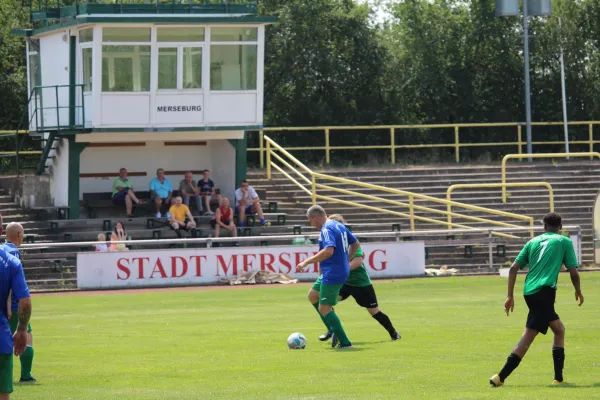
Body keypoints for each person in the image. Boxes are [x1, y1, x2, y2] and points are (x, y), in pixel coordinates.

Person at [489, 212, 583, 387]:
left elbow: (513, 268)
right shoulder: (565, 242)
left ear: (544, 227)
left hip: (530, 292)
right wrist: (578, 290)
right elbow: (574, 272)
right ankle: (500, 377)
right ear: (561, 227)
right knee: (528, 336)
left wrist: (510, 296)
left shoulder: (532, 242)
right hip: (545, 292)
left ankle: (559, 378)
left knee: (559, 329)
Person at [314, 214, 400, 343]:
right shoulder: (330, 242)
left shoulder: (349, 242)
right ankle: (334, 330)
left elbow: (358, 261)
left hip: (360, 284)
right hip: (343, 282)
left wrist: (343, 269)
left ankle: (393, 332)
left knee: (374, 311)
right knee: (326, 302)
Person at [296, 205, 359, 349]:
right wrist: (346, 259)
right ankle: (332, 329)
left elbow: (329, 251)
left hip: (334, 272)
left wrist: (306, 262)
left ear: (317, 216)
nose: (312, 225)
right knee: (313, 296)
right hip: (334, 270)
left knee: (324, 308)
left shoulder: (326, 229)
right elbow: (355, 243)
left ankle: (345, 343)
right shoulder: (337, 225)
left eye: (311, 221)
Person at [0, 217, 32, 399]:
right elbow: (24, 298)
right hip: (8, 314)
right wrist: (21, 327)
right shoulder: (12, 256)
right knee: (28, 336)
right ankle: (26, 374)